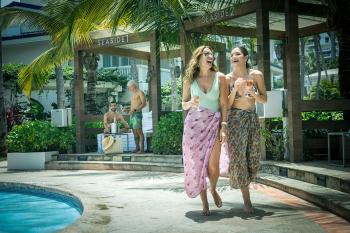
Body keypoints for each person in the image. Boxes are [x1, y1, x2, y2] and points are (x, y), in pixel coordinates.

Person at [182, 45, 228, 216]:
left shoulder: (220, 77)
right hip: (194, 127)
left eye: (212, 54)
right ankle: (204, 203)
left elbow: (224, 104)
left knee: (213, 166)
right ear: (198, 57)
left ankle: (213, 189)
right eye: (207, 53)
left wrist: (224, 127)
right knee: (198, 164)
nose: (211, 56)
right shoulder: (189, 79)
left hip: (214, 124)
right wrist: (189, 104)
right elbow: (183, 103)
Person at [226, 46, 267, 214]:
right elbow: (226, 105)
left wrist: (254, 95)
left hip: (251, 117)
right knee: (238, 158)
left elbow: (264, 99)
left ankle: (244, 182)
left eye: (237, 54)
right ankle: (247, 200)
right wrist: (235, 88)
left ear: (245, 57)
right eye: (232, 55)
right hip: (235, 119)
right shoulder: (228, 79)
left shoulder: (256, 75)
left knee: (253, 156)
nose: (233, 56)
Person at [127, 80, 146, 154]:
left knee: (139, 132)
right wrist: (128, 109)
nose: (129, 89)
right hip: (132, 115)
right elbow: (134, 105)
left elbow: (144, 104)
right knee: (134, 132)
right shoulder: (133, 94)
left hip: (137, 114)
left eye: (129, 87)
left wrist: (135, 110)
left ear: (133, 86)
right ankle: (137, 148)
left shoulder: (140, 92)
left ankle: (142, 149)